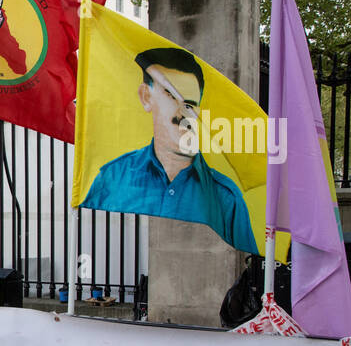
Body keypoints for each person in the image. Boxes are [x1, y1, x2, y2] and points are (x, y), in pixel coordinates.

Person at [80, 46, 260, 254]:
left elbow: (249, 258)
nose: (182, 112)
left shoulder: (225, 196)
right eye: (172, 96)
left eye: (191, 104)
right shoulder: (113, 178)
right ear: (146, 97)